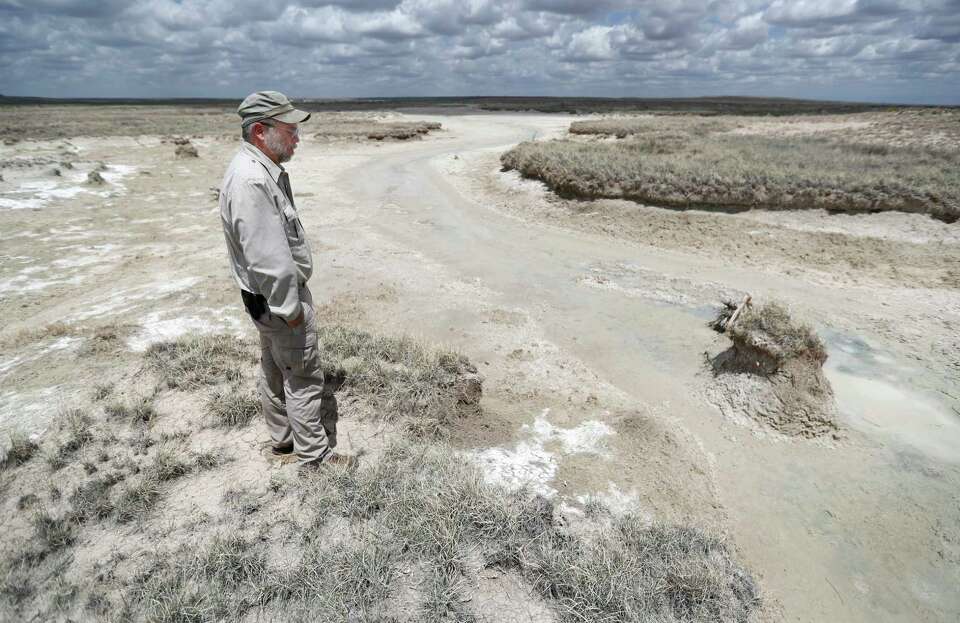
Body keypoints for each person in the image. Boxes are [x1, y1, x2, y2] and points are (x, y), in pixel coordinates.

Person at [219, 90, 351, 469]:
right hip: (278, 299)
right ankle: (315, 458)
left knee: (276, 369)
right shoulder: (251, 181)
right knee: (303, 376)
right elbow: (267, 257)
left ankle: (284, 441)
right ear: (261, 131)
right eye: (290, 130)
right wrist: (290, 309)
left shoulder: (254, 170)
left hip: (262, 299)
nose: (297, 137)